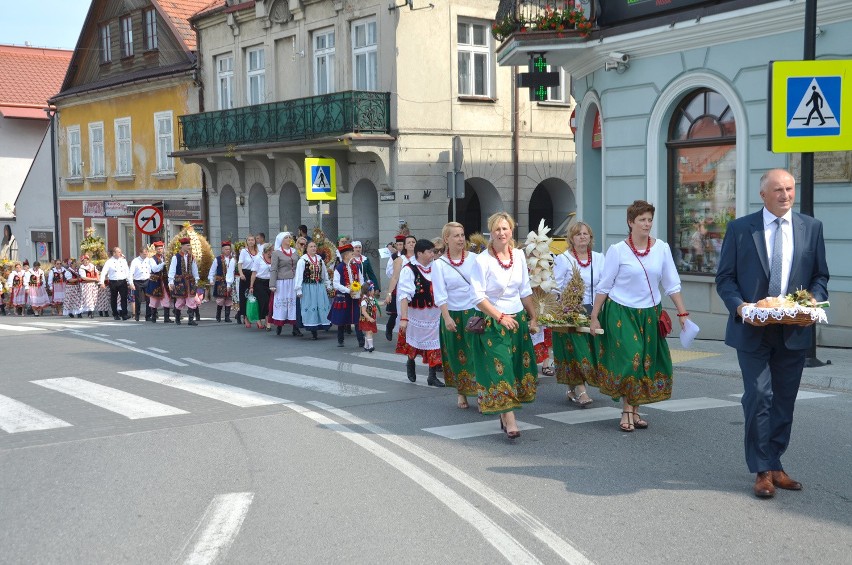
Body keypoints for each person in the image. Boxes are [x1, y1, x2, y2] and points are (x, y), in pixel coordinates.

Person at [716, 168, 829, 499]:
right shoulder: (740, 229)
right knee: (759, 396)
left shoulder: (812, 228)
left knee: (783, 401)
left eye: (790, 188)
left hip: (793, 330)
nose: (785, 195)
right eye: (778, 189)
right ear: (763, 194)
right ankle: (762, 471)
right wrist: (741, 308)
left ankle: (775, 462)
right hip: (753, 329)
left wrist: (810, 301)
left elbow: (820, 275)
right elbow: (725, 279)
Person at [590, 200, 689, 432]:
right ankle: (626, 410)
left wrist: (683, 313)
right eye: (642, 220)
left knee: (645, 361)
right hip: (621, 311)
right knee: (631, 358)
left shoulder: (661, 249)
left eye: (649, 220)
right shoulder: (618, 250)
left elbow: (671, 284)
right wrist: (594, 316)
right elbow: (604, 286)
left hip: (650, 313)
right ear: (630, 222)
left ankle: (634, 409)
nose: (647, 224)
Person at [470, 212, 539, 439]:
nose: (501, 233)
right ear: (491, 232)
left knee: (517, 367)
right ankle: (510, 420)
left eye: (505, 229)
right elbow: (478, 297)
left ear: (511, 231)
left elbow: (525, 290)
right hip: (493, 322)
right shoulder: (482, 260)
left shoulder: (519, 255)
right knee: (503, 369)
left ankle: (504, 411)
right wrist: (499, 317)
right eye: (497, 229)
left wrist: (533, 317)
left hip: (517, 320)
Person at [552, 222, 605, 406]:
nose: (582, 237)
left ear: (590, 237)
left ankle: (570, 388)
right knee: (577, 351)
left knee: (589, 352)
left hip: (594, 312)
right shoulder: (564, 259)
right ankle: (581, 391)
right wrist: (560, 312)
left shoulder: (599, 258)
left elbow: (605, 285)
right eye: (578, 234)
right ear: (571, 238)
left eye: (586, 234)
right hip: (571, 313)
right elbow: (555, 288)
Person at [433, 221, 481, 407]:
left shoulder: (475, 259)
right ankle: (461, 391)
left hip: (474, 312)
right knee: (457, 354)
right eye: (456, 235)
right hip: (452, 313)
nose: (461, 239)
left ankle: (479, 390)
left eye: (462, 235)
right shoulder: (440, 264)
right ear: (446, 239)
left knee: (476, 353)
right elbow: (440, 293)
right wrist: (446, 317)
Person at [397, 238, 444, 386]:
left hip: (435, 314)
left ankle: (432, 376)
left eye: (433, 251)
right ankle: (410, 362)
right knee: (413, 343)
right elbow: (404, 295)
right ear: (419, 253)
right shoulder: (409, 269)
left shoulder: (437, 267)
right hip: (416, 314)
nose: (432, 254)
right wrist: (404, 318)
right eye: (429, 251)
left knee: (435, 344)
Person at [328, 243, 365, 347]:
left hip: (355, 296)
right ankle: (340, 339)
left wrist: (361, 289)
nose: (353, 255)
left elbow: (361, 279)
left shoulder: (356, 266)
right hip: (343, 297)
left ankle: (360, 339)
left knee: (357, 317)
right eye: (351, 254)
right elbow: (336, 284)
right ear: (345, 256)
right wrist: (347, 290)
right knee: (342, 318)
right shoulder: (339, 268)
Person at [294, 240, 332, 340]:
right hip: (308, 287)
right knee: (310, 306)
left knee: (320, 306)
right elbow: (298, 276)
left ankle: (319, 326)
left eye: (315, 246)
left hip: (319, 286)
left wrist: (327, 284)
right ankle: (312, 330)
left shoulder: (319, 259)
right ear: (307, 248)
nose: (313, 248)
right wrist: (299, 289)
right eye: (311, 246)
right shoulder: (302, 260)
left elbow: (324, 273)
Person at [269, 232, 301, 336]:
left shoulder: (295, 252)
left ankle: (295, 327)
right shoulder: (276, 253)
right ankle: (279, 324)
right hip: (281, 282)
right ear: (281, 240)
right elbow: (273, 269)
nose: (288, 239)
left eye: (289, 237)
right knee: (282, 303)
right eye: (286, 238)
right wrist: (272, 284)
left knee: (294, 304)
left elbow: (299, 266)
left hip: (293, 281)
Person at [384, 234, 415, 341]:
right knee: (401, 313)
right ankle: (405, 340)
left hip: (417, 290)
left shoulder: (419, 257)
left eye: (413, 242)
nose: (411, 244)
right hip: (402, 289)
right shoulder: (398, 259)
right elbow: (393, 276)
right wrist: (389, 293)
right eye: (409, 242)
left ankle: (415, 340)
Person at [168, 237, 200, 326]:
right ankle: (177, 318)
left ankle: (190, 320)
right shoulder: (176, 257)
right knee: (180, 301)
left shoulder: (191, 257)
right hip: (180, 282)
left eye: (189, 245)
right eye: (187, 245)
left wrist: (196, 279)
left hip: (190, 282)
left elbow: (194, 269)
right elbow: (172, 270)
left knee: (191, 299)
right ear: (182, 246)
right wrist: (171, 281)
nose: (189, 247)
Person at [100, 247, 134, 320]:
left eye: (120, 252)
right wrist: (102, 282)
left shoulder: (123, 261)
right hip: (113, 282)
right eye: (119, 252)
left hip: (122, 281)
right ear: (114, 253)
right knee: (114, 298)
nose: (120, 253)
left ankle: (124, 314)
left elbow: (127, 272)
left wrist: (130, 282)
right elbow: (103, 272)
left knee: (124, 298)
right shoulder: (109, 262)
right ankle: (115, 314)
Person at [209, 241, 236, 322]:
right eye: (226, 249)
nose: (228, 250)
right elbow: (212, 270)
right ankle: (218, 316)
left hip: (230, 282)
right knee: (220, 300)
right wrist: (211, 279)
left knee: (229, 299)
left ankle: (227, 317)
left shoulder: (233, 259)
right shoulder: (217, 259)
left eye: (229, 249)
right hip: (221, 282)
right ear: (222, 250)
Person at [237, 234, 260, 326]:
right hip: (246, 274)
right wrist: (241, 274)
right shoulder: (244, 251)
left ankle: (257, 317)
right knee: (245, 296)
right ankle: (245, 316)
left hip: (256, 274)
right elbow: (239, 264)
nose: (251, 241)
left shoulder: (258, 251)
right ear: (246, 242)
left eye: (252, 240)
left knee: (256, 295)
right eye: (249, 240)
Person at [146, 241, 172, 323]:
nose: (160, 250)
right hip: (156, 281)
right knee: (154, 299)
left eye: (161, 248)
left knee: (166, 298)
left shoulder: (166, 257)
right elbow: (155, 269)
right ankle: (153, 317)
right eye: (158, 249)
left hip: (164, 281)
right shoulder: (152, 259)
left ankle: (166, 318)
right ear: (156, 250)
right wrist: (164, 263)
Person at [249, 244, 273, 330]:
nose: (272, 252)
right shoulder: (258, 258)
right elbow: (254, 273)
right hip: (259, 282)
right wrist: (251, 286)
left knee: (269, 302)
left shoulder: (273, 259)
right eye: (271, 250)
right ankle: (262, 321)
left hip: (269, 283)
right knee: (264, 301)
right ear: (267, 251)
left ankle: (267, 322)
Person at [129, 247, 151, 321]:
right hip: (137, 281)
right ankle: (137, 315)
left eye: (146, 254)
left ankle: (148, 316)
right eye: (144, 254)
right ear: (140, 253)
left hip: (147, 280)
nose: (145, 255)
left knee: (148, 299)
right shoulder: (135, 261)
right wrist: (131, 283)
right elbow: (131, 272)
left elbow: (151, 270)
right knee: (138, 299)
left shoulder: (149, 260)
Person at [359, 282, 379, 352]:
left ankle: (366, 346)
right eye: (372, 290)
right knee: (369, 332)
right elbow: (363, 311)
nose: (374, 291)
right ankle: (371, 346)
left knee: (370, 332)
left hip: (371, 318)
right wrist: (369, 318)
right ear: (368, 291)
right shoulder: (364, 301)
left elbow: (377, 304)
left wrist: (385, 302)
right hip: (366, 319)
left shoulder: (371, 298)